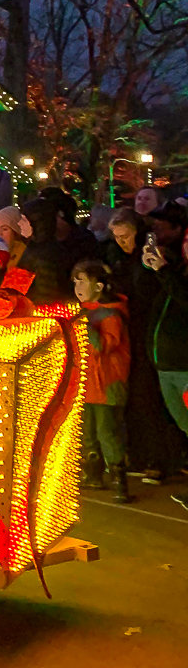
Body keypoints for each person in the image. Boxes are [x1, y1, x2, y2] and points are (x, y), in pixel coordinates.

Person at [105, 206, 187, 482]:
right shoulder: (119, 259)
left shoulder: (157, 260)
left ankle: (162, 459)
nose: (122, 242)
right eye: (117, 237)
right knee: (141, 400)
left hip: (157, 342)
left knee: (156, 402)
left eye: (126, 236)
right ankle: (143, 455)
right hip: (138, 339)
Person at [73, 259, 132, 503]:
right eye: (75, 280)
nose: (77, 285)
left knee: (108, 432)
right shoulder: (85, 311)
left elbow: (103, 346)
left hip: (108, 382)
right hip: (87, 383)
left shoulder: (110, 314)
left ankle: (120, 480)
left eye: (82, 280)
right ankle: (93, 474)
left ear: (98, 286)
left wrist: (85, 324)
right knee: (87, 432)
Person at [141, 204, 188, 440]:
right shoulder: (178, 267)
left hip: (184, 366)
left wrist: (164, 271)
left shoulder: (173, 272)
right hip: (165, 364)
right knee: (181, 423)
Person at [17, 198, 74, 303]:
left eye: (24, 219)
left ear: (36, 222)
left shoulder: (46, 254)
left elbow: (47, 294)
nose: (19, 223)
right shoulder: (34, 248)